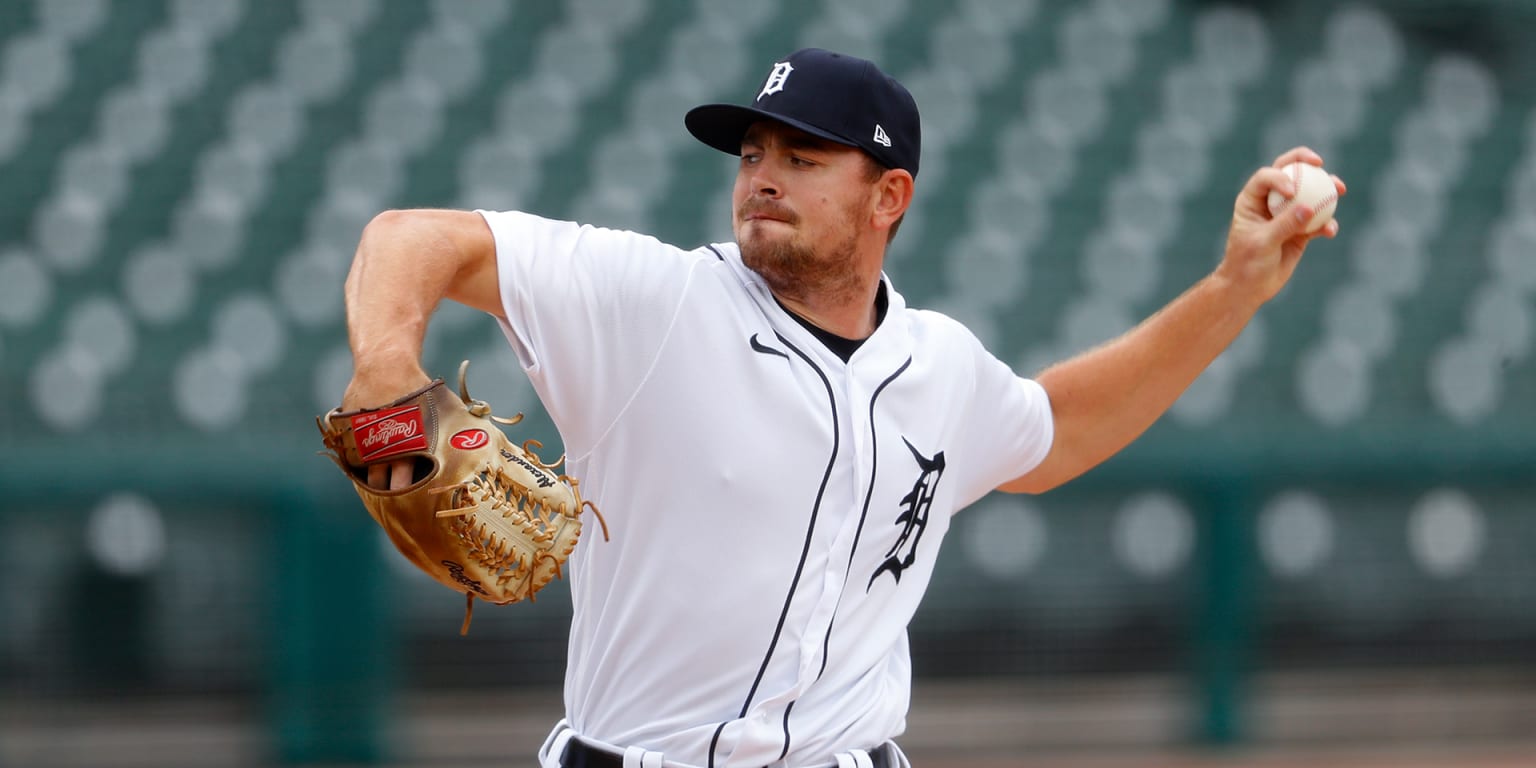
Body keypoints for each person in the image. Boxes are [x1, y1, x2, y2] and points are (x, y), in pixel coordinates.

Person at [339, 48, 1343, 768]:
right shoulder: (656, 300)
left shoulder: (938, 365)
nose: (762, 178)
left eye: (802, 158)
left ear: (888, 196)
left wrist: (1235, 288)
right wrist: (386, 359)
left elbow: (1059, 430)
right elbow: (414, 238)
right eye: (751, 155)